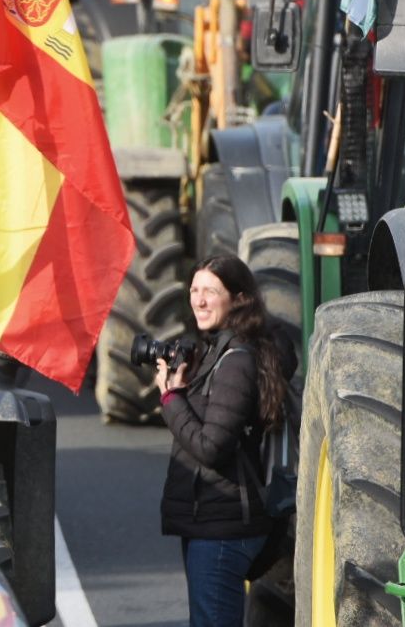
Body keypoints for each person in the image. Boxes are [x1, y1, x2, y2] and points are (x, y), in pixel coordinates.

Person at [155, 255, 292, 627]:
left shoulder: (236, 361)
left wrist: (171, 400)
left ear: (238, 299)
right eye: (194, 290)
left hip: (222, 529)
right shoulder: (220, 352)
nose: (198, 300)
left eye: (211, 292)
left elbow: (211, 447)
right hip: (212, 524)